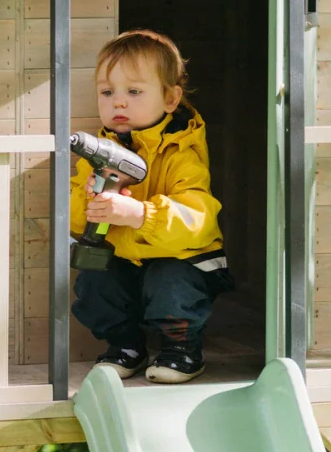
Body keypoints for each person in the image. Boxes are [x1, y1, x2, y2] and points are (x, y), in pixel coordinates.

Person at [70, 30, 232, 384]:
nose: (119, 103)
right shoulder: (99, 153)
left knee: (169, 280)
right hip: (128, 258)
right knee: (96, 279)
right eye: (107, 92)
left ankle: (181, 348)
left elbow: (198, 217)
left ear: (171, 98)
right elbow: (73, 220)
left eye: (134, 91)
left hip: (183, 258)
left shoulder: (182, 153)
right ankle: (125, 346)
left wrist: (140, 214)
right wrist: (89, 203)